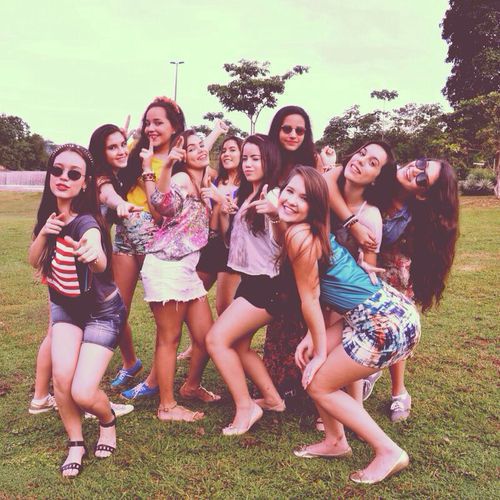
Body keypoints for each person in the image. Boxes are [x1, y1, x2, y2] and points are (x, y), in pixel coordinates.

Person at [276, 166, 420, 484]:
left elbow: (310, 299)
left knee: (318, 383)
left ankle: (388, 451)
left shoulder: (300, 236)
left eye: (304, 197)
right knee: (311, 362)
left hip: (381, 323)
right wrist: (314, 340)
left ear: (316, 206)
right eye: (289, 191)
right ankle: (334, 441)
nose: (292, 200)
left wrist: (319, 350)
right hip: (391, 310)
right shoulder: (310, 229)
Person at [326, 158, 459, 421]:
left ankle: (399, 391)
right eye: (422, 163)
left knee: (392, 328)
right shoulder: (381, 172)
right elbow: (330, 181)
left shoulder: (416, 211)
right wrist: (353, 223)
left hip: (392, 268)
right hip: (359, 262)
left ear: (423, 194)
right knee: (352, 324)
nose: (415, 171)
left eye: (423, 179)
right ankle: (358, 377)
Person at [28, 144, 126, 477]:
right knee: (62, 380)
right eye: (57, 170)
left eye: (74, 173)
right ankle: (76, 442)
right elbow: (34, 260)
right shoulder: (49, 217)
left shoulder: (88, 222)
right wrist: (44, 234)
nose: (63, 177)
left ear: (85, 183)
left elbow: (98, 258)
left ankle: (107, 420)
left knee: (83, 391)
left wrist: (91, 254)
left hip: (102, 312)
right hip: (65, 309)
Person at [206, 134, 286, 435]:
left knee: (217, 340)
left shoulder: (273, 195)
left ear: (269, 160)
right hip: (249, 280)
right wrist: (226, 212)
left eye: (256, 158)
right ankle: (273, 399)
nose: (249, 164)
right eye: (246, 158)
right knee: (239, 346)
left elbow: (283, 242)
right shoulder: (247, 194)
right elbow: (233, 241)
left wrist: (276, 215)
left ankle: (245, 406)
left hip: (268, 285)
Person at [139, 129, 221, 422]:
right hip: (166, 266)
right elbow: (163, 205)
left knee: (206, 337)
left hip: (186, 269)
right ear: (183, 156)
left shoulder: (204, 179)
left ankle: (191, 386)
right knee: (169, 338)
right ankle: (167, 406)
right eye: (193, 148)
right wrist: (166, 166)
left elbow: (202, 149)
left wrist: (215, 132)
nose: (201, 150)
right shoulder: (182, 178)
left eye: (202, 146)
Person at [263, 106, 336, 408]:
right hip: (277, 255)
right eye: (286, 128)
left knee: (310, 309)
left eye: (300, 130)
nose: (293, 134)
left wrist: (328, 169)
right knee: (285, 319)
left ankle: (317, 383)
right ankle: (286, 385)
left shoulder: (312, 164)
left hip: (307, 249)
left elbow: (322, 206)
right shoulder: (268, 163)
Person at [178, 135, 243, 361]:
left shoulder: (246, 184)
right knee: (190, 295)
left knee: (224, 306)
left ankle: (230, 348)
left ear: (242, 154)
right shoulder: (214, 177)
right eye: (224, 150)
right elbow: (197, 155)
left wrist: (219, 197)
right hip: (208, 244)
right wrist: (215, 132)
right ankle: (195, 343)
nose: (226, 154)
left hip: (229, 249)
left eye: (232, 150)